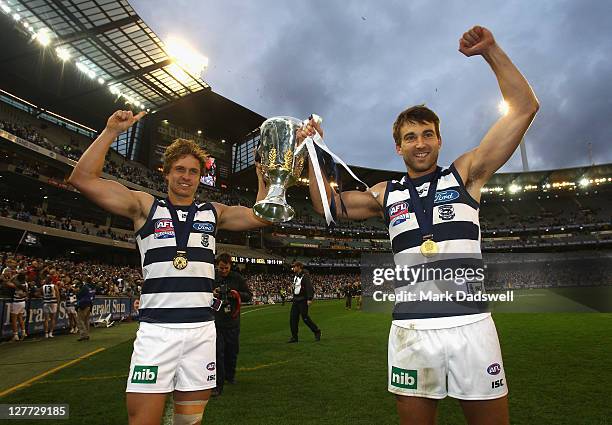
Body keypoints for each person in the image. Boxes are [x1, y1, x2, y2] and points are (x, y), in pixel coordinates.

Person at [304, 26, 538, 425]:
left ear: (439, 140)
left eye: (427, 134)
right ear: (398, 147)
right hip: (412, 329)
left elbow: (523, 107)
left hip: (471, 326)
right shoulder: (385, 193)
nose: (420, 143)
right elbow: (330, 207)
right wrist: (312, 149)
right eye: (410, 137)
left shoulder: (465, 174)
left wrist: (490, 51)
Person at [68, 110, 269, 425]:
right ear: (166, 172)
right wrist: (110, 132)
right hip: (157, 332)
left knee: (189, 422)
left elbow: (262, 216)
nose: (186, 176)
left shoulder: (214, 212)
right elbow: (82, 179)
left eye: (192, 171)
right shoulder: (145, 206)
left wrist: (262, 174)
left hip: (202, 332)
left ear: (200, 176)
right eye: (179, 169)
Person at [212, 253, 252, 396]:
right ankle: (218, 383)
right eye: (221, 268)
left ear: (230, 265)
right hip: (216, 322)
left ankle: (230, 375)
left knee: (232, 351)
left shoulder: (237, 278)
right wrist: (213, 293)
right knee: (218, 353)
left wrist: (234, 294)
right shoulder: (213, 277)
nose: (223, 270)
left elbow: (249, 295)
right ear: (217, 265)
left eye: (226, 268)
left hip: (233, 322)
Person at [288, 262, 321, 343]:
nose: (293, 268)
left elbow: (309, 287)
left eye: (294, 267)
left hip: (302, 300)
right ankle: (294, 337)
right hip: (296, 300)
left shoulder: (305, 276)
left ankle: (316, 331)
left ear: (299, 267)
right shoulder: (296, 276)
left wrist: (309, 299)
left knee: (305, 318)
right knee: (293, 319)